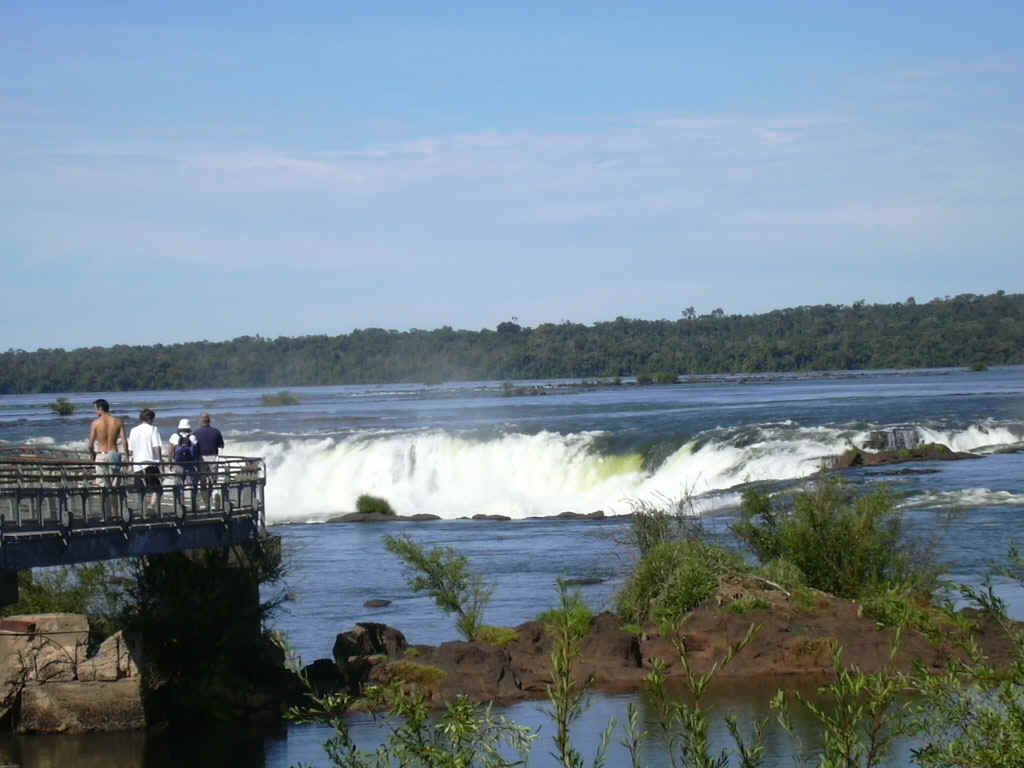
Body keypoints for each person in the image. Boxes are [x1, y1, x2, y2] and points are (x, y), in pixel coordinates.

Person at [127, 408, 163, 512]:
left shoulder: (133, 430)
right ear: (151, 419)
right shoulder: (153, 429)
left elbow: (130, 450)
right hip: (150, 463)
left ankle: (142, 510)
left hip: (137, 464)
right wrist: (160, 462)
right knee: (157, 489)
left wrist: (130, 464)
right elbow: (157, 447)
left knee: (141, 489)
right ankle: (151, 506)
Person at [194, 413, 225, 507]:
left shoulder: (196, 433)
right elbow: (221, 446)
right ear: (209, 421)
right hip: (214, 457)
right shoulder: (216, 431)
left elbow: (194, 448)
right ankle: (215, 493)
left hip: (201, 458)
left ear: (201, 421)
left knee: (203, 481)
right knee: (213, 479)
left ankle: (206, 503)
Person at [168, 419, 201, 509]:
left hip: (178, 464)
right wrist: (197, 464)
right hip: (190, 464)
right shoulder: (193, 437)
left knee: (179, 484)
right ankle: (194, 505)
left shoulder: (174, 436)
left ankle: (181, 505)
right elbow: (197, 452)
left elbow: (171, 451)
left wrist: (170, 462)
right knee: (193, 485)